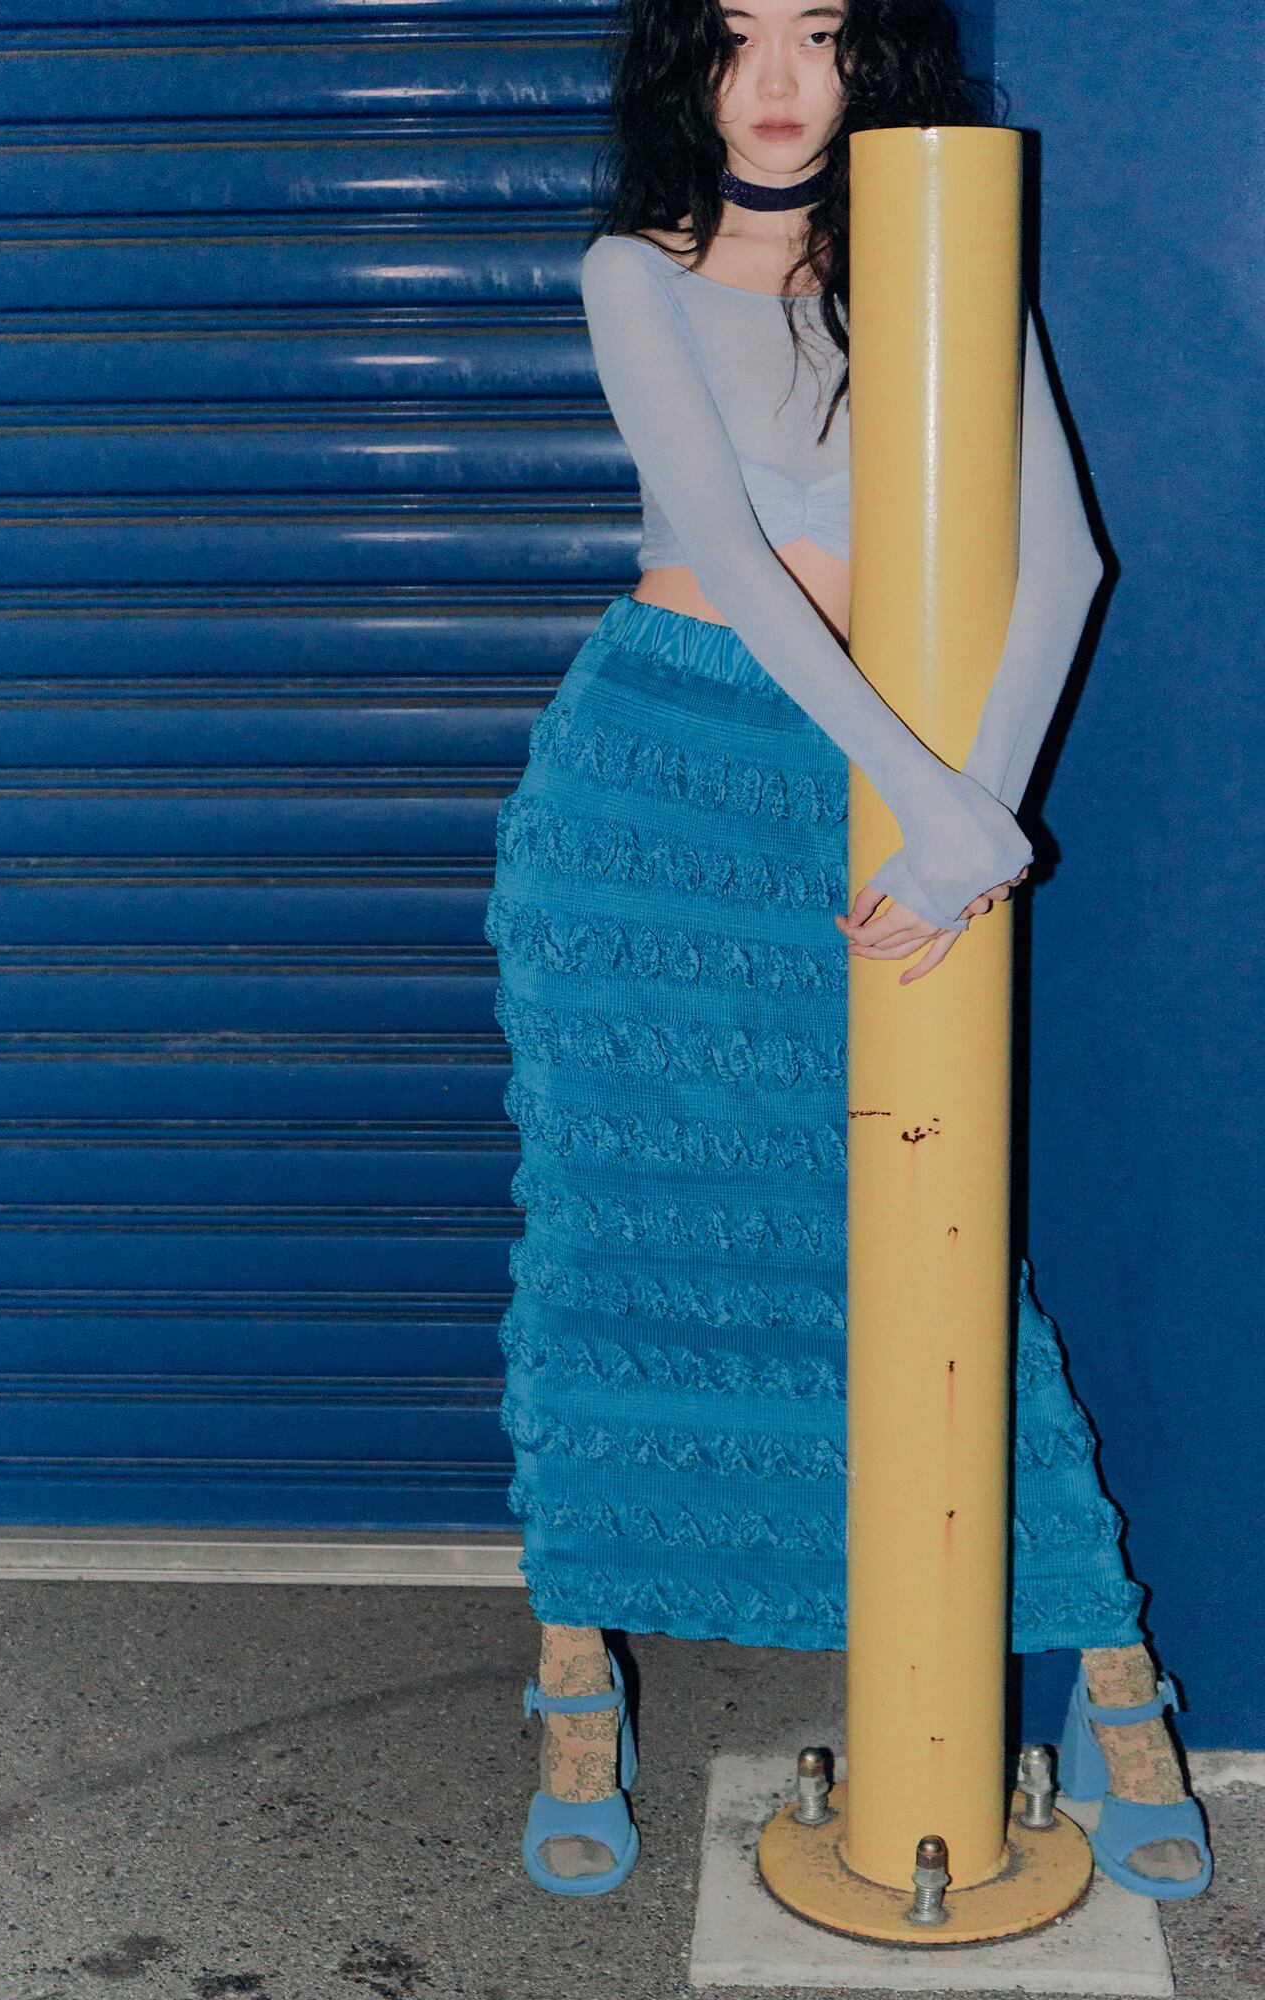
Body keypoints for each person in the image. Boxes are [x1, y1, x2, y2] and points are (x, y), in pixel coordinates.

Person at [487, 0, 1212, 1902]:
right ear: (688, 67)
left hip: (888, 792)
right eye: (737, 37)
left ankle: (1104, 1658)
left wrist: (973, 816)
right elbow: (730, 558)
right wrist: (946, 811)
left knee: (928, 1232)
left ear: (872, 58)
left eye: (817, 32)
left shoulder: (938, 259)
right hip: (656, 789)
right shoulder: (632, 273)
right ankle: (575, 1667)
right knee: (620, 1234)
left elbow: (1063, 560)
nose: (778, 82)